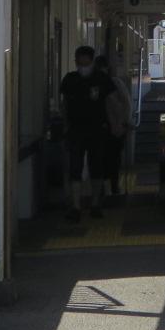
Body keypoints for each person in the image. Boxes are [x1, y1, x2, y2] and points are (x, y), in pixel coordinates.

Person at [59, 44, 115, 221]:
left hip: (98, 129)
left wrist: (116, 124)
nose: (82, 66)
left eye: (86, 62)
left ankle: (95, 204)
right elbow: (64, 104)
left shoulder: (102, 79)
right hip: (75, 130)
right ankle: (76, 206)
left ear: (92, 61)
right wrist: (65, 124)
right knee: (75, 167)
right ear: (76, 62)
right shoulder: (70, 79)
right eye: (79, 62)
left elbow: (112, 102)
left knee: (96, 167)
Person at [95, 53, 132, 200]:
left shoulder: (111, 83)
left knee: (106, 158)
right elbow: (127, 105)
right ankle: (113, 187)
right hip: (115, 127)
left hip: (109, 127)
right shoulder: (116, 83)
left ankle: (108, 187)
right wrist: (125, 122)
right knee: (113, 158)